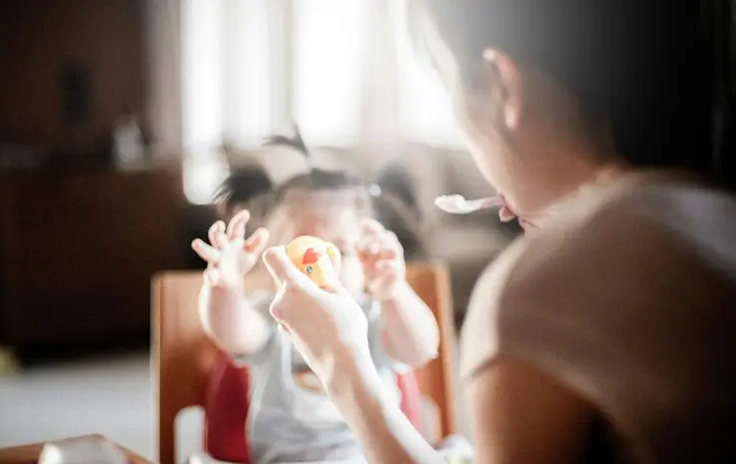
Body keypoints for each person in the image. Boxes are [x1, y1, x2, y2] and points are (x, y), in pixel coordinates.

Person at [258, 0, 736, 462]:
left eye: (447, 87)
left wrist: (343, 366)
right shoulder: (715, 212)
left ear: (502, 85)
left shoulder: (531, 294)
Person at [190, 130, 440, 463]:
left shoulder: (375, 317)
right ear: (273, 261)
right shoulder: (274, 314)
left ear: (364, 259)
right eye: (301, 251)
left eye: (337, 250)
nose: (318, 266)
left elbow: (421, 347)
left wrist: (394, 292)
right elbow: (230, 331)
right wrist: (226, 286)